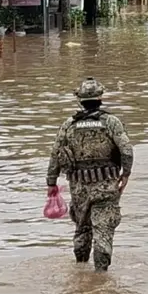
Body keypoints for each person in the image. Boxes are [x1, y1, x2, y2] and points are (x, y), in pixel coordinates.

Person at [47, 78, 134, 272]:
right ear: (100, 98)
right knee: (103, 229)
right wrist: (126, 174)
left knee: (82, 228)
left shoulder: (69, 124)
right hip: (106, 185)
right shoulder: (111, 122)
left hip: (79, 187)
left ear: (80, 100)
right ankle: (100, 276)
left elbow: (55, 154)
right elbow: (126, 150)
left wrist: (51, 182)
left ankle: (80, 270)